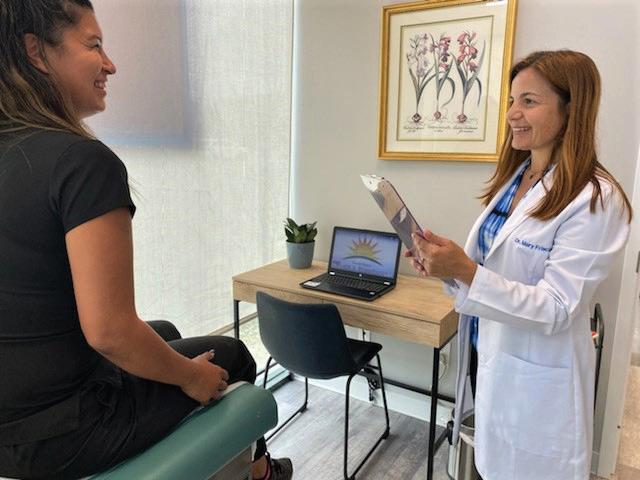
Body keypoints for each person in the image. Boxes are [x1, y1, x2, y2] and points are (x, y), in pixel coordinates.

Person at [0, 1, 292, 479]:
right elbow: (110, 332)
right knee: (233, 354)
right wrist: (192, 376)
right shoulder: (79, 162)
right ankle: (261, 474)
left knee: (165, 330)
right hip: (54, 433)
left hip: (14, 407)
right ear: (36, 52)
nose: (110, 64)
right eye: (94, 45)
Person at [405, 50, 632, 480]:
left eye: (529, 101)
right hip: (487, 354)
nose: (511, 114)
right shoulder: (518, 177)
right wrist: (446, 266)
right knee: (491, 464)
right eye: (512, 100)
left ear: (571, 109)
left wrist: (465, 271)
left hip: (537, 382)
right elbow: (491, 268)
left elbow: (557, 307)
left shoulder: (596, 199)